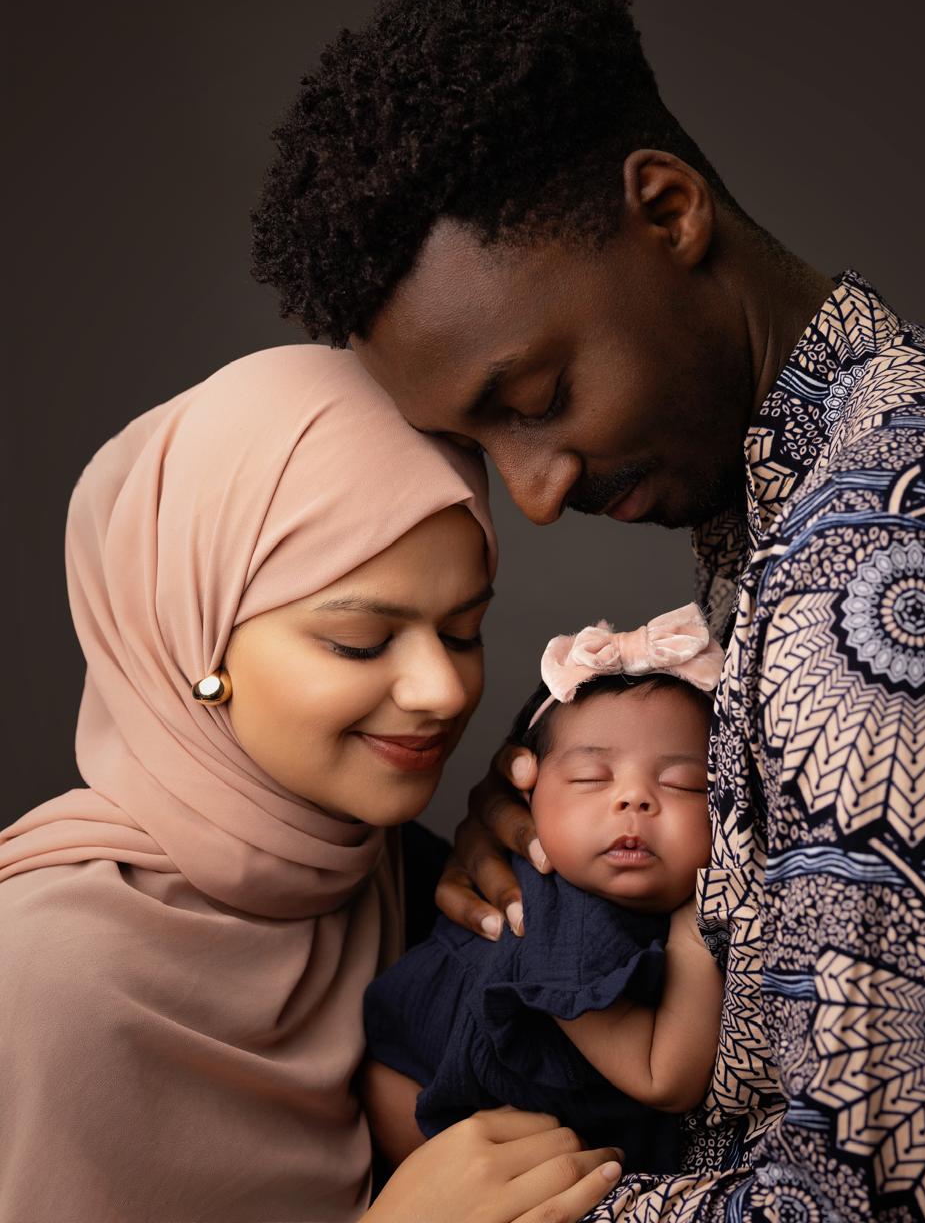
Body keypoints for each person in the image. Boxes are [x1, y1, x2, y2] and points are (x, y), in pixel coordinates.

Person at [250, 0, 925, 1221]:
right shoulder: (796, 504)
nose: (536, 491)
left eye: (538, 400)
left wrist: (474, 1211)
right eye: (483, 444)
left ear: (665, 212)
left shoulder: (883, 576)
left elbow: (897, 1202)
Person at [0, 345, 625, 1223]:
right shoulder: (43, 973)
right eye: (361, 641)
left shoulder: (397, 881)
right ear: (198, 644)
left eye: (463, 631)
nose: (442, 691)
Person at [362, 607, 726, 1175]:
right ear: (522, 793)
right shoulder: (564, 922)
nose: (633, 799)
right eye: (590, 779)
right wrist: (693, 936)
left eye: (683, 784)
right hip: (424, 1105)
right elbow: (665, 1080)